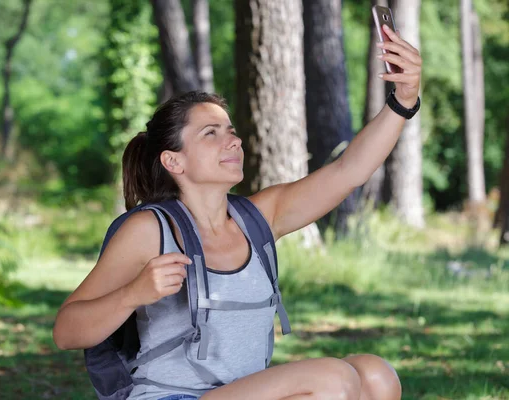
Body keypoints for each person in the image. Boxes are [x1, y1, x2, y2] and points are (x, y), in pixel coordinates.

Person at [53, 25, 421, 400]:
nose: (233, 140)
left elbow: (350, 171)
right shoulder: (150, 230)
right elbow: (66, 329)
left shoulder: (259, 218)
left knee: (377, 376)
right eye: (211, 133)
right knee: (333, 379)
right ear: (173, 161)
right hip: (170, 396)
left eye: (230, 131)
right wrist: (134, 293)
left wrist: (403, 99)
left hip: (236, 393)